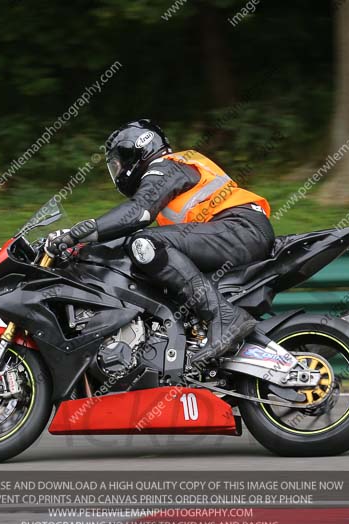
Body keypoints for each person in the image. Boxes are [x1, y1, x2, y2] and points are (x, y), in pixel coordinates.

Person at [47, 119, 274, 362]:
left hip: (241, 228)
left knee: (145, 244)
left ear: (136, 151)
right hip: (232, 231)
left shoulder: (168, 167)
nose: (119, 172)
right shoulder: (170, 172)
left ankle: (225, 317)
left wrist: (77, 234)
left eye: (118, 164)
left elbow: (138, 213)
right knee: (144, 251)